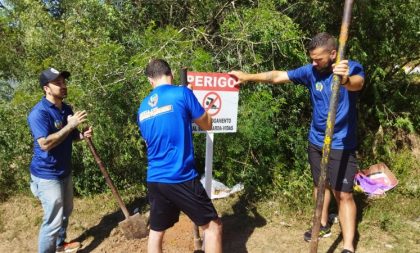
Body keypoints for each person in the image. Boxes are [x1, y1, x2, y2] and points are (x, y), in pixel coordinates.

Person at [229, 32, 364, 253]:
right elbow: (277, 76)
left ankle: (348, 245)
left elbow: (357, 84)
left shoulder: (349, 67)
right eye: (311, 58)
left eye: (318, 58)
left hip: (340, 142)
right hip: (317, 139)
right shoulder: (311, 72)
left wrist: (346, 79)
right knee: (319, 185)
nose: (313, 62)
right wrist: (247, 77)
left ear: (332, 54)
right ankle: (321, 224)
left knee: (344, 194)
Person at [137, 59, 222, 253]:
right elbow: (207, 124)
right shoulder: (182, 93)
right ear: (171, 73)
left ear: (151, 80)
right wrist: (191, 96)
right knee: (213, 226)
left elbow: (151, 139)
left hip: (155, 178)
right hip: (180, 176)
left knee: (156, 231)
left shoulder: (142, 108)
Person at [28, 68, 93, 253]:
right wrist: (71, 124)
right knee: (53, 221)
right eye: (58, 83)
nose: (63, 86)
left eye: (64, 82)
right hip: (47, 174)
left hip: (64, 170)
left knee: (66, 211)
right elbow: (45, 144)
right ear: (46, 88)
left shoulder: (66, 109)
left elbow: (68, 136)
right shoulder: (38, 113)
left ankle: (60, 244)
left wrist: (81, 135)